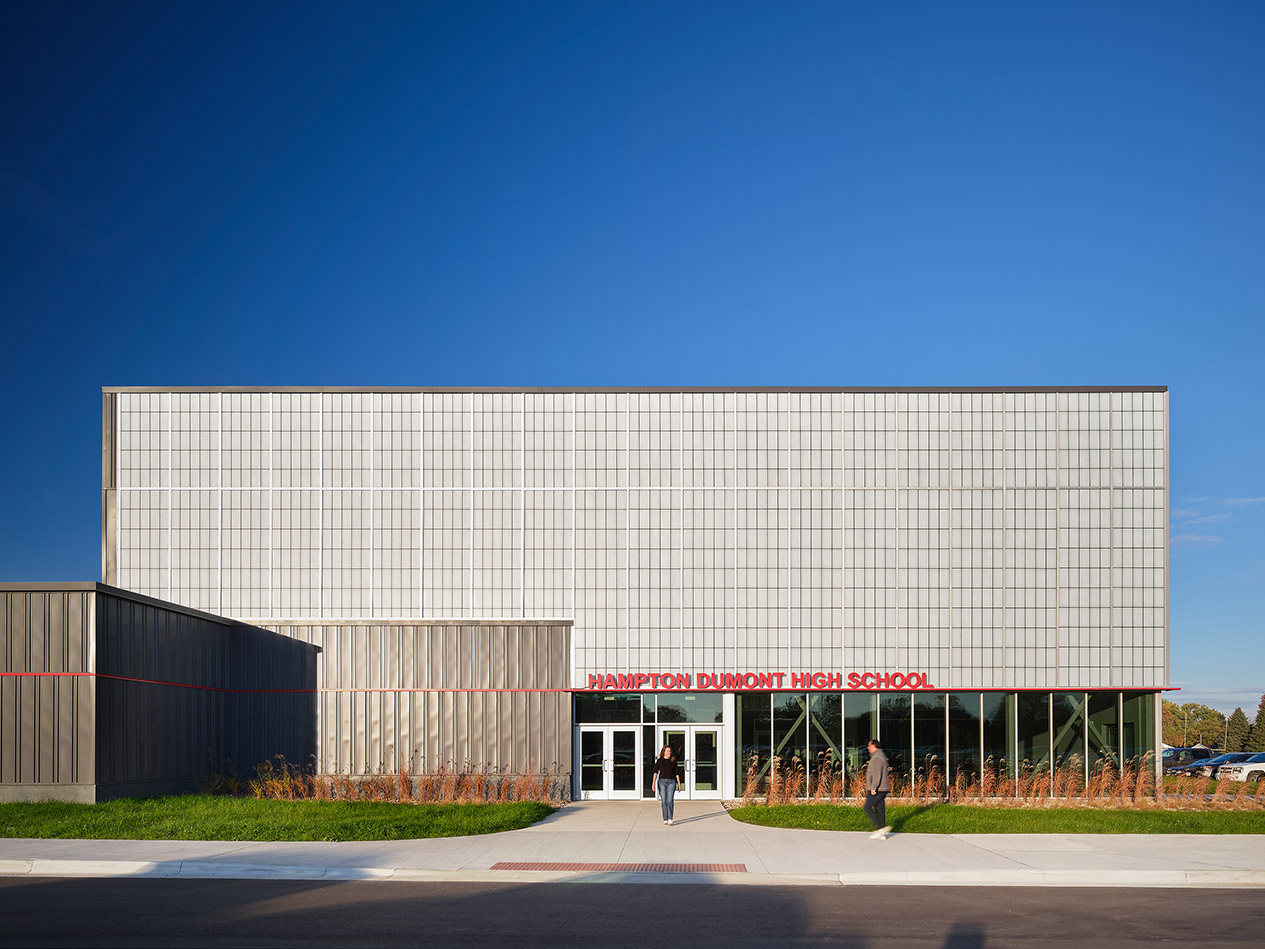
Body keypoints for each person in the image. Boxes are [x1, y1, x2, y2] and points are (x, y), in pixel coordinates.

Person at [864, 739, 891, 839]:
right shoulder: (880, 755)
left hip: (878, 789)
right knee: (879, 809)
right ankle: (882, 833)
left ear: (874, 746)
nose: (868, 748)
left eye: (869, 746)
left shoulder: (877, 757)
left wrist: (873, 787)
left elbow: (876, 774)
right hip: (881, 788)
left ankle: (881, 828)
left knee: (867, 807)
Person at [652, 744, 682, 824]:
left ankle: (670, 818)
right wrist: (653, 783)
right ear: (664, 752)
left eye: (670, 751)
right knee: (664, 801)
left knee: (670, 800)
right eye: (667, 751)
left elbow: (677, 774)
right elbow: (655, 772)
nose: (669, 752)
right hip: (662, 782)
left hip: (671, 782)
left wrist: (679, 784)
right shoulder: (659, 761)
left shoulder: (673, 761)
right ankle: (665, 818)